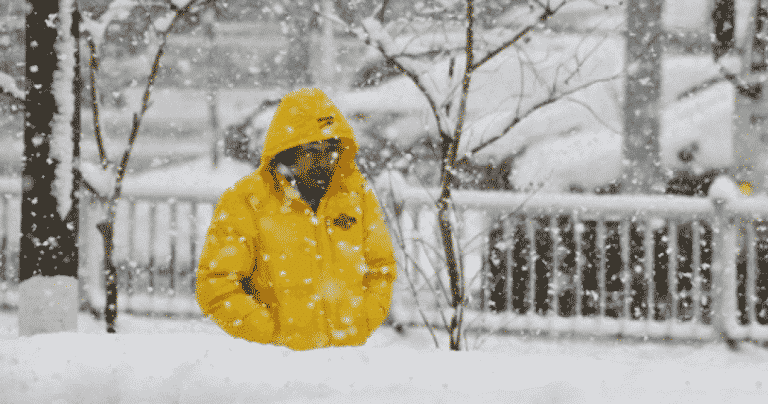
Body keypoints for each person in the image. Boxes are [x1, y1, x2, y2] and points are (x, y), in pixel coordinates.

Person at [195, 88, 398, 350]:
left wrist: (360, 322)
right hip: (276, 368)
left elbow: (381, 269)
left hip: (344, 361)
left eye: (331, 150)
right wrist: (270, 335)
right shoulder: (247, 200)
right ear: (288, 151)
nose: (324, 161)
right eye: (313, 151)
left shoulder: (356, 196)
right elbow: (217, 283)